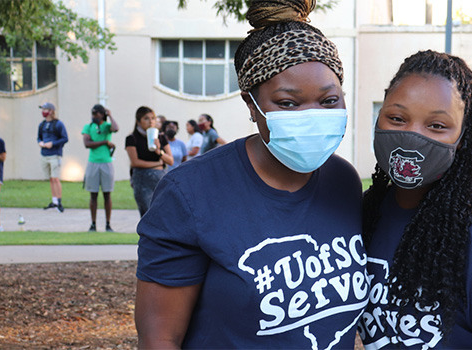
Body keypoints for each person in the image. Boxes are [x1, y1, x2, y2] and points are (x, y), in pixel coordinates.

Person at [134, 0, 366, 348]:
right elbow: (160, 338)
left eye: (329, 101)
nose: (312, 114)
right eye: (288, 103)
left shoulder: (343, 181)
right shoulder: (191, 192)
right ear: (251, 105)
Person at [358, 50, 472, 350]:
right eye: (397, 118)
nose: (412, 136)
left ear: (462, 138)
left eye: (437, 126)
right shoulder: (364, 213)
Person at [125, 106, 172, 217]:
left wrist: (159, 151)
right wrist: (157, 163)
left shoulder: (161, 137)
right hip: (142, 179)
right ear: (138, 121)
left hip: (160, 177)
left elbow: (170, 160)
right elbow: (135, 162)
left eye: (153, 118)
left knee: (163, 212)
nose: (151, 121)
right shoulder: (132, 138)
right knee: (147, 214)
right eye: (146, 118)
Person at [82, 104, 119, 232]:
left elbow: (116, 128)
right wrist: (105, 142)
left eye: (96, 114)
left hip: (106, 162)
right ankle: (93, 224)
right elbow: (87, 144)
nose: (94, 117)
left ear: (102, 114)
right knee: (93, 195)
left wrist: (110, 115)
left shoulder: (107, 127)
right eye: (93, 114)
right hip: (93, 162)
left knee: (107, 194)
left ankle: (108, 224)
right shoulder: (88, 127)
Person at [37, 102, 68, 212]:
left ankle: (59, 202)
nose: (43, 112)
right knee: (50, 178)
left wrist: (53, 144)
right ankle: (54, 201)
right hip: (44, 154)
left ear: (51, 111)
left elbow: (65, 138)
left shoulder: (58, 124)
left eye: (45, 109)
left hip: (55, 154)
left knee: (55, 178)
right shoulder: (42, 125)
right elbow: (39, 138)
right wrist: (40, 142)